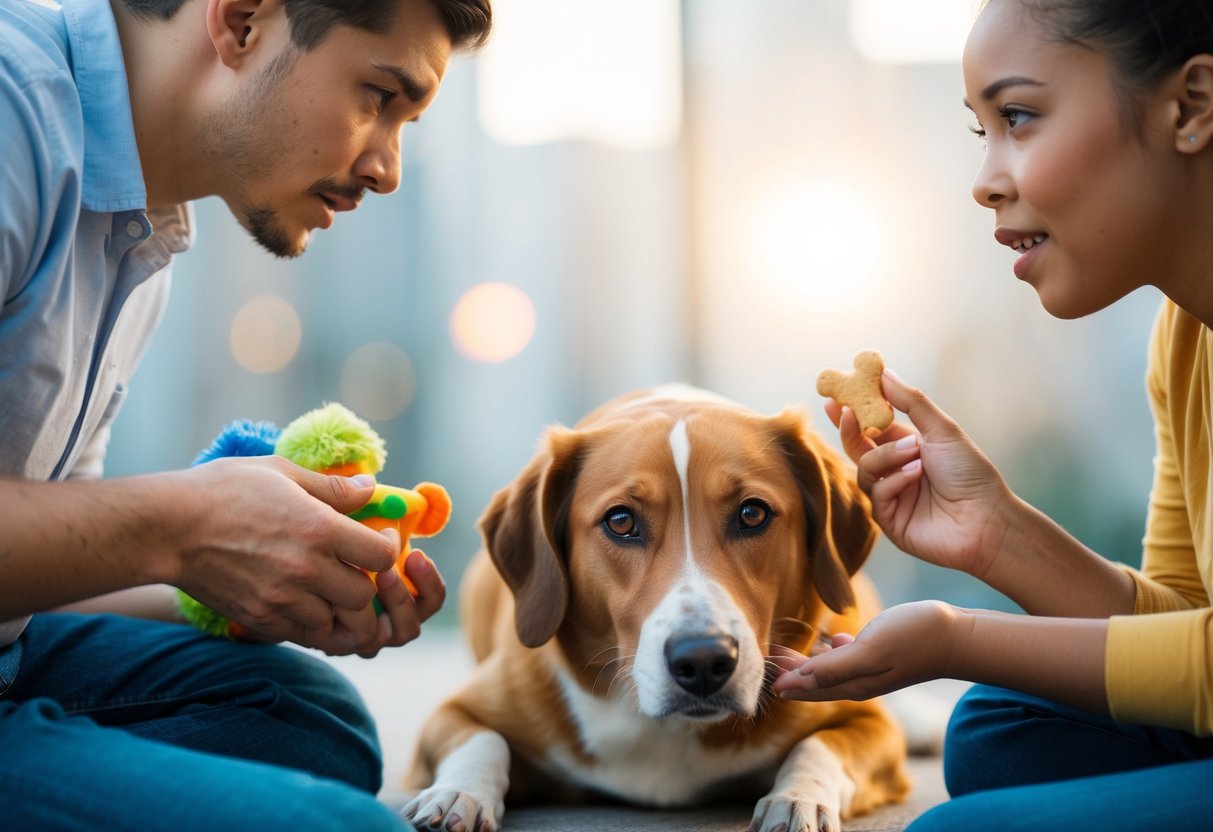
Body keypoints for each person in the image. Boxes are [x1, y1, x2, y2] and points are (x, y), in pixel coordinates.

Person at [0, 0, 490, 829]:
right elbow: (145, 531)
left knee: (302, 716)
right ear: (242, 21)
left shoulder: (141, 234)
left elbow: (48, 569)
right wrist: (185, 524)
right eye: (377, 96)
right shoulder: (15, 112)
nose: (387, 169)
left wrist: (269, 580)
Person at [772, 1, 1213, 830]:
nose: (984, 180)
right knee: (999, 729)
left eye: (1017, 117)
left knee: (955, 827)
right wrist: (994, 533)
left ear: (1189, 107)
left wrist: (954, 638)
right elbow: (1183, 624)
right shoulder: (1185, 337)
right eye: (983, 132)